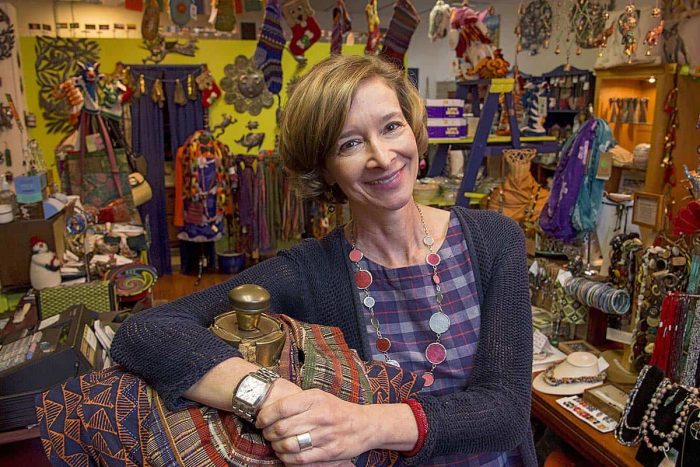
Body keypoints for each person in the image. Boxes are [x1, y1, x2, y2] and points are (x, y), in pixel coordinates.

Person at [111, 54, 534, 466]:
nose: (382, 157)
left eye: (391, 126)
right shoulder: (311, 270)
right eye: (350, 143)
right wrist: (267, 395)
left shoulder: (493, 240)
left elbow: (507, 410)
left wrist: (363, 425)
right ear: (325, 168)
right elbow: (147, 331)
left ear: (412, 128)